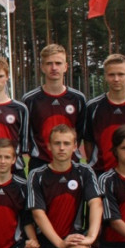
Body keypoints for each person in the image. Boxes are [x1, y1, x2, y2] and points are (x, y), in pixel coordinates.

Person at [27, 124, 101, 248]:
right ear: (49, 146)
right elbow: (37, 214)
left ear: (75, 146)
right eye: (57, 143)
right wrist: (59, 242)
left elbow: (95, 203)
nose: (61, 148)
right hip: (49, 242)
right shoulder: (37, 174)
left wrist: (90, 237)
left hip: (73, 238)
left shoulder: (84, 171)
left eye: (66, 143)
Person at [23, 44, 86, 172]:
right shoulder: (30, 100)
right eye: (49, 63)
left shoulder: (78, 99)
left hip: (71, 162)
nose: (54, 68)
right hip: (40, 163)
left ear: (65, 67)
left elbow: (80, 132)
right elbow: (27, 134)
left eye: (58, 63)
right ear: (42, 67)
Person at [85, 54, 125, 176]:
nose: (116, 79)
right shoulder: (93, 107)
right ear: (106, 77)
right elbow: (88, 142)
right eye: (111, 74)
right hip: (99, 173)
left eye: (121, 74)